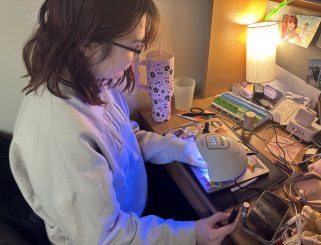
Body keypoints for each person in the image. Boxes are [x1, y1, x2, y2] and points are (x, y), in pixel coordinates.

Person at [9, 0, 238, 244]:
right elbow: (108, 237)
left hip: (132, 214)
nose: (137, 59)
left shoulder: (92, 79)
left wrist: (177, 148)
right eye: (134, 47)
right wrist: (192, 235)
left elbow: (124, 138)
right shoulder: (59, 136)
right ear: (88, 43)